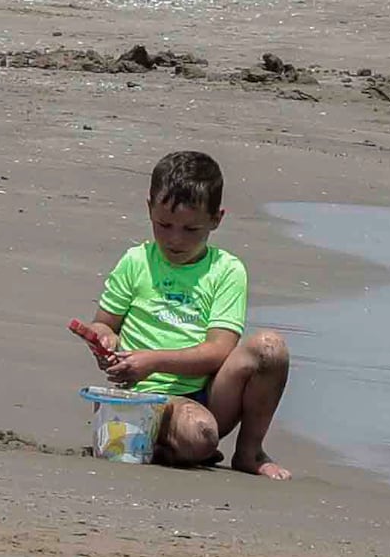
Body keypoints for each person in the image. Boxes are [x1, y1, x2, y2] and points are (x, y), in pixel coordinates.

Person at [73, 148, 287, 475]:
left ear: (217, 219)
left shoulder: (226, 270)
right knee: (201, 437)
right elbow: (105, 324)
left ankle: (250, 452)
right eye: (164, 224)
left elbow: (219, 350)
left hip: (209, 391)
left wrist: (153, 360)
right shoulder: (137, 261)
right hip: (144, 395)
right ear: (149, 209)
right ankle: (166, 442)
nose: (175, 239)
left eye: (191, 230)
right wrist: (103, 341)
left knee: (271, 348)